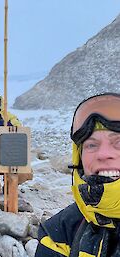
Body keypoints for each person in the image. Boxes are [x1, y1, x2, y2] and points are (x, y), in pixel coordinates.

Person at [36, 93, 120, 257]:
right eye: (91, 144)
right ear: (78, 159)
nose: (103, 154)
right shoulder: (58, 234)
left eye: (118, 142)